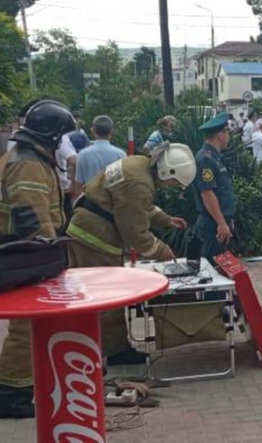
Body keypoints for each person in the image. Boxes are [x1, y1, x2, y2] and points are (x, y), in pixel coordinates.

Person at [0, 99, 76, 419]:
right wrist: (49, 257)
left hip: (22, 251)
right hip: (25, 253)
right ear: (50, 134)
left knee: (32, 324)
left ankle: (26, 386)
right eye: (60, 136)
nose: (61, 142)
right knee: (24, 328)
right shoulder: (29, 164)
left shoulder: (27, 157)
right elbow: (33, 219)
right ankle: (10, 397)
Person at [66, 143, 192, 365]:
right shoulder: (140, 183)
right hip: (96, 239)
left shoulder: (138, 165)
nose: (169, 186)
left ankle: (90, 346)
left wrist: (165, 220)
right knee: (108, 296)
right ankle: (116, 353)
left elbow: (132, 204)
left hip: (85, 229)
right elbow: (135, 234)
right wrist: (163, 252)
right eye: (172, 181)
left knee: (90, 297)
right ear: (166, 171)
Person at [194, 113, 237, 260]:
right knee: (214, 270)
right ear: (221, 135)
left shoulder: (215, 157)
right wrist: (221, 223)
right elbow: (207, 193)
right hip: (213, 225)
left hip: (219, 223)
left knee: (223, 268)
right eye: (227, 133)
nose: (228, 137)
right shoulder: (206, 159)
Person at [73, 115, 126, 198]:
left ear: (93, 130)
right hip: (111, 202)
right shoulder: (120, 154)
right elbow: (121, 184)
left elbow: (79, 184)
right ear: (111, 131)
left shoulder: (82, 155)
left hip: (89, 203)